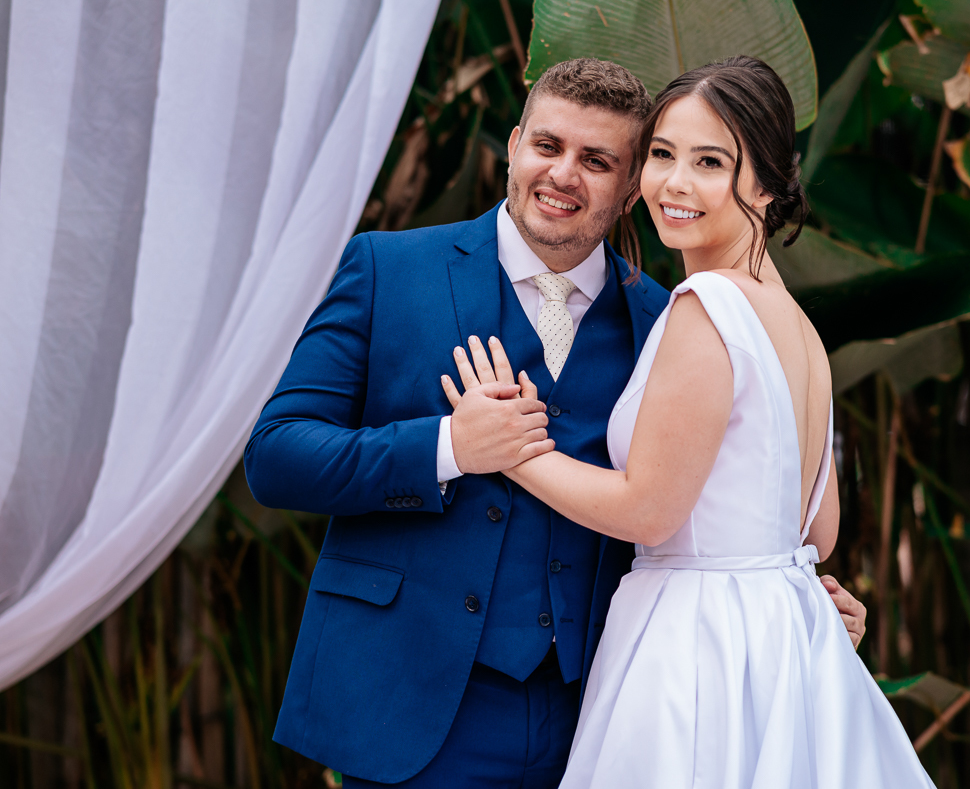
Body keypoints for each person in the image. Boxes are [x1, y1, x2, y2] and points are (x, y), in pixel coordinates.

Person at [244, 58, 866, 789]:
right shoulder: (386, 269)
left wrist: (790, 597)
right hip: (414, 705)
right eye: (547, 146)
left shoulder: (670, 318)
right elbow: (277, 455)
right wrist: (448, 445)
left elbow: (723, 496)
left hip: (603, 715)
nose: (563, 174)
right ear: (513, 146)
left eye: (597, 160)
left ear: (631, 184)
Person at [444, 56, 934, 787]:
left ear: (767, 183)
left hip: (697, 645)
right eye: (663, 155)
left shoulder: (705, 307)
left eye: (710, 162)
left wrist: (510, 449)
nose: (674, 184)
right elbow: (819, 530)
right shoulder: (797, 325)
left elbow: (649, 509)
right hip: (780, 638)